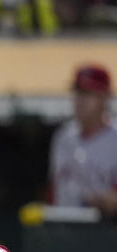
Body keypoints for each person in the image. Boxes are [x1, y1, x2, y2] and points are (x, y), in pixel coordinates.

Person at [49, 63, 117, 219]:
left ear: (105, 96)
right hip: (64, 228)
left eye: (88, 93)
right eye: (78, 93)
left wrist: (103, 200)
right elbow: (53, 189)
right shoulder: (63, 137)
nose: (80, 100)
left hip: (104, 230)